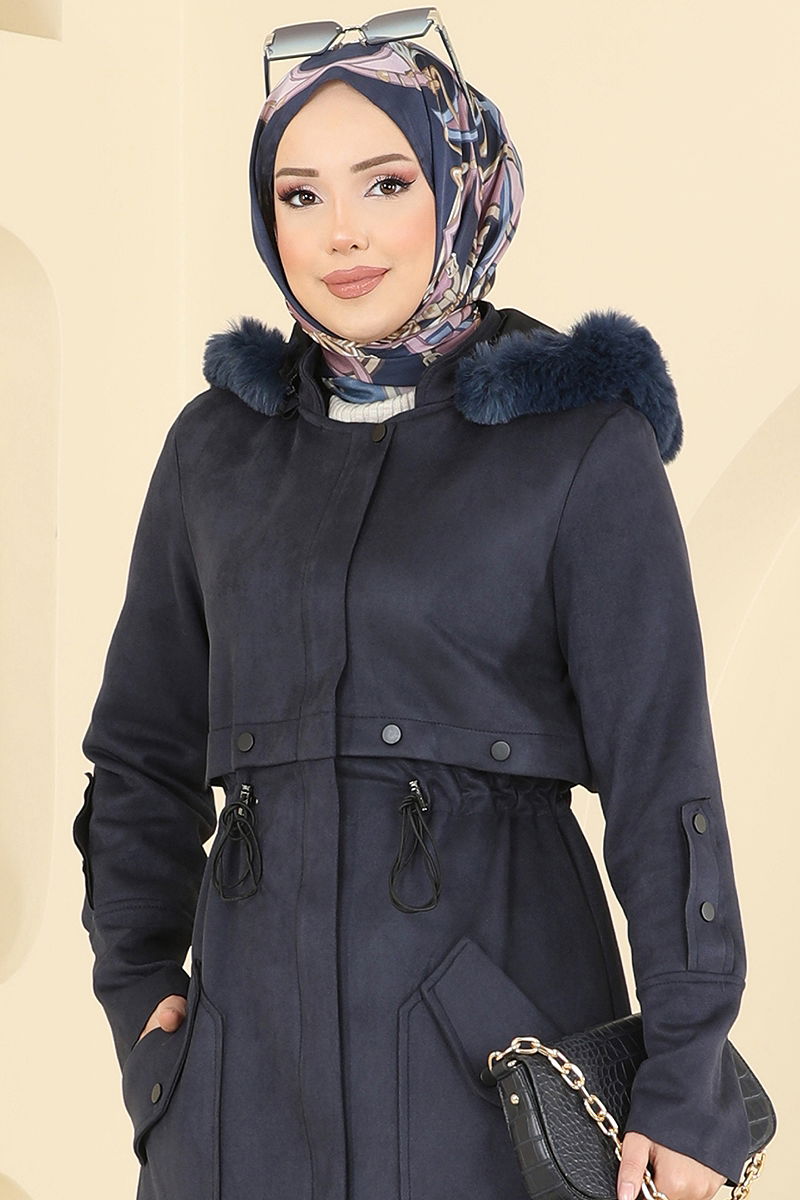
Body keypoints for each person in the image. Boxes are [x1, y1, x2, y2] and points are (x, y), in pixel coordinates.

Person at [73, 22, 755, 1200]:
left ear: (461, 189)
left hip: (494, 1092)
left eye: (384, 183)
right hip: (238, 1106)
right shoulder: (215, 452)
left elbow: (663, 783)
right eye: (299, 194)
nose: (339, 232)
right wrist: (141, 1000)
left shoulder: (577, 447)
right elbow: (138, 756)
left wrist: (686, 1079)